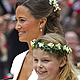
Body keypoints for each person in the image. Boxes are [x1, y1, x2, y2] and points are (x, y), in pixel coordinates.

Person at [10, 0, 64, 80]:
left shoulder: (53, 60)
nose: (17, 27)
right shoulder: (18, 59)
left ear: (42, 22)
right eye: (16, 20)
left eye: (22, 20)